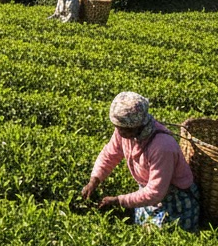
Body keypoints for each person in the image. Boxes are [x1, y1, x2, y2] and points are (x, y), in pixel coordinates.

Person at [81, 92, 200, 231]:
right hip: (148, 194)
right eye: (118, 127)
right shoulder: (124, 131)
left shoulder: (162, 146)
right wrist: (94, 180)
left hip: (174, 201)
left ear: (138, 125)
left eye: (124, 129)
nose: (119, 133)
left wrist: (119, 201)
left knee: (162, 238)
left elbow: (155, 192)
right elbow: (109, 154)